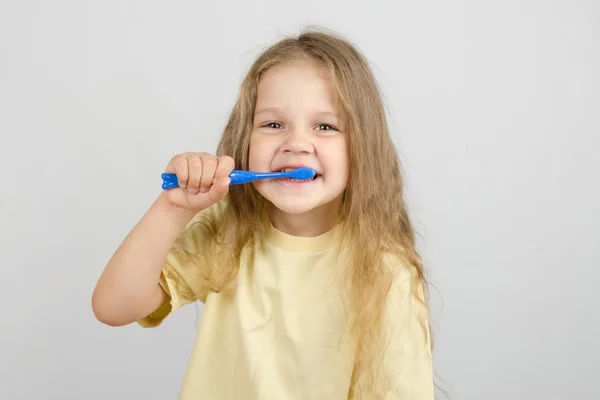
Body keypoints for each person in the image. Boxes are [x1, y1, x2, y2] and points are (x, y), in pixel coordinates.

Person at [92, 27, 435, 399]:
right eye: (273, 124)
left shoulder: (386, 272)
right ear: (246, 140)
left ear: (362, 149)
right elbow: (113, 307)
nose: (297, 144)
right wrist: (172, 209)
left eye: (326, 126)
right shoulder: (229, 231)